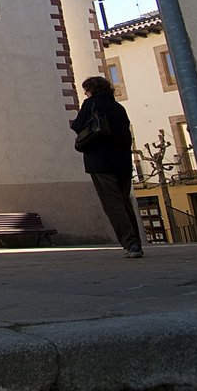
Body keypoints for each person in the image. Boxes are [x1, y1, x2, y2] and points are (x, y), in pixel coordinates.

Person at [71, 75, 144, 258]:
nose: (85, 94)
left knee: (113, 205)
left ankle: (131, 244)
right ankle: (137, 243)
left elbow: (78, 126)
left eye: (86, 90)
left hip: (101, 161)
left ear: (91, 90)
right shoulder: (119, 108)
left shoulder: (91, 104)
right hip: (123, 162)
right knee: (125, 202)